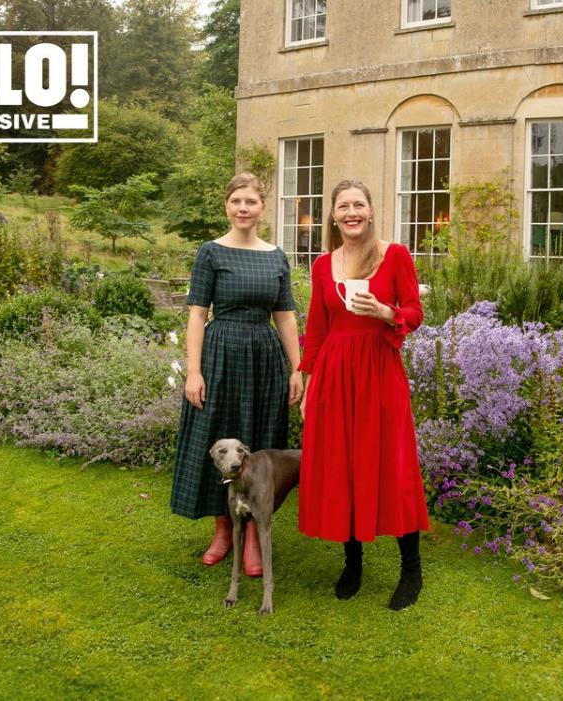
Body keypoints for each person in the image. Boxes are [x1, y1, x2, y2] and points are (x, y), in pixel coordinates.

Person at [297, 179, 430, 610]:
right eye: (343, 206)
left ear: (371, 211)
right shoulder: (322, 266)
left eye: (358, 205)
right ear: (333, 216)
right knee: (344, 466)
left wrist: (387, 312)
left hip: (379, 371)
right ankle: (352, 563)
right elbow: (316, 330)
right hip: (335, 375)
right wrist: (308, 381)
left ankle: (411, 569)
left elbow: (415, 311)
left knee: (392, 464)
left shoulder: (395, 255)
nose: (351, 212)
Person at [171, 173, 303, 576]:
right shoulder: (211, 253)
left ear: (262, 207)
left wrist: (298, 369)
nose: (243, 208)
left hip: (264, 361)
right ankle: (223, 531)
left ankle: (253, 538)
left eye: (250, 201)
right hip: (220, 356)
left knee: (260, 447)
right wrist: (194, 371)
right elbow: (196, 314)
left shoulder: (275, 256)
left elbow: (285, 317)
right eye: (236, 201)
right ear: (227, 206)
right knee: (220, 439)